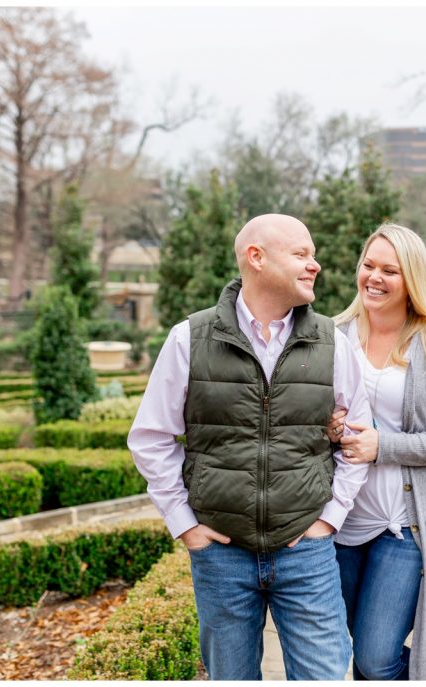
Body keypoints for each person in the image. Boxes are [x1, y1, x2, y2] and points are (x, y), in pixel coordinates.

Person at [128, 213, 372, 680]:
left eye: (313, 255)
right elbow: (151, 437)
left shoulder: (333, 345)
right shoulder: (189, 339)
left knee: (323, 675)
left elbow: (357, 438)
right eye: (301, 254)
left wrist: (329, 519)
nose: (315, 264)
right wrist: (184, 525)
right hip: (220, 555)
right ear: (255, 258)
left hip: (306, 551)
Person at [326, 223, 426, 680]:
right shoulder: (333, 334)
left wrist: (382, 446)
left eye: (389, 270)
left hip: (405, 526)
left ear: (411, 278)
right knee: (353, 643)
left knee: (375, 657)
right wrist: (328, 427)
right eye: (368, 265)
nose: (374, 277)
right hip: (340, 520)